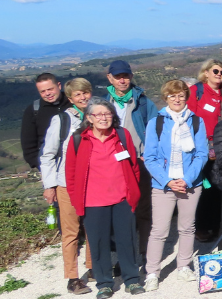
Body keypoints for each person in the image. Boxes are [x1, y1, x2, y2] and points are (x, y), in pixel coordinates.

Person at [65, 99, 145, 298]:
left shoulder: (122, 136)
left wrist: (132, 192)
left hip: (122, 199)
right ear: (89, 118)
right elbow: (71, 174)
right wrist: (77, 202)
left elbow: (134, 166)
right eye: (98, 114)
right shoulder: (79, 140)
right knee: (98, 244)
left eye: (107, 114)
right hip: (92, 202)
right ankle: (104, 284)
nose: (103, 118)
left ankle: (132, 280)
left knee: (126, 240)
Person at [142, 80, 210, 291]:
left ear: (186, 96)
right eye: (172, 96)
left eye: (181, 95)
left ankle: (183, 266)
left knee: (187, 227)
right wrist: (168, 181)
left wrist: (187, 180)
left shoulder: (196, 122)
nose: (177, 99)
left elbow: (202, 154)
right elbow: (150, 157)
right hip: (163, 185)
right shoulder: (156, 123)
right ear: (166, 98)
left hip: (190, 184)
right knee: (159, 230)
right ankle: (152, 272)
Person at [39, 78, 93, 295]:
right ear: (70, 98)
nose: (82, 98)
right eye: (77, 95)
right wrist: (49, 185)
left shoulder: (98, 116)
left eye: (85, 93)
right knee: (71, 233)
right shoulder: (61, 120)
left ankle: (93, 267)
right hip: (66, 184)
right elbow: (48, 154)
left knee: (93, 229)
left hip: (93, 182)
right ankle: (72, 278)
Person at [105, 60, 159, 253]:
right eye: (118, 76)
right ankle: (125, 256)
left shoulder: (143, 103)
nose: (122, 80)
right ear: (109, 78)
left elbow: (156, 131)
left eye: (125, 76)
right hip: (113, 165)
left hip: (140, 162)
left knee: (144, 210)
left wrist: (149, 154)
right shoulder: (104, 104)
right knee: (122, 213)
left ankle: (145, 253)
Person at [187, 59, 222, 240]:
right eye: (215, 71)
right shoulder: (196, 92)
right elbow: (188, 118)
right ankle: (200, 226)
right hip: (201, 146)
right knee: (203, 187)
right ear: (205, 72)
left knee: (219, 187)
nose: (219, 75)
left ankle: (215, 226)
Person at [22, 73, 71, 171]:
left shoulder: (73, 102)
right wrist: (42, 167)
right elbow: (28, 145)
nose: (47, 93)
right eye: (42, 91)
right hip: (50, 167)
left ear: (59, 86)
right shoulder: (33, 111)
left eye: (50, 89)